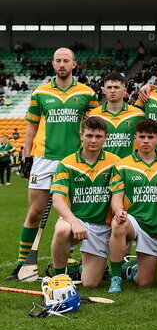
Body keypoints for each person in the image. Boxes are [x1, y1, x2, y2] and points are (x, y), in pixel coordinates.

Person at [9, 48, 100, 280]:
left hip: (75, 161)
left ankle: (74, 262)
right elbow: (31, 127)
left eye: (66, 61)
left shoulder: (87, 93)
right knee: (34, 213)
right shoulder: (40, 92)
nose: (62, 64)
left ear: (74, 65)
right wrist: (27, 156)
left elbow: (95, 126)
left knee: (75, 215)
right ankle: (22, 264)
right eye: (58, 61)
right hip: (44, 158)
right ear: (52, 64)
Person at [48, 117, 117, 288]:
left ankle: (77, 268)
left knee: (90, 284)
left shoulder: (115, 162)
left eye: (98, 136)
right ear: (81, 135)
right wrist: (74, 222)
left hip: (101, 226)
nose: (93, 140)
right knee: (62, 229)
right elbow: (57, 200)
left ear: (106, 137)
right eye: (89, 135)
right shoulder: (67, 163)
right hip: (76, 220)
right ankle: (60, 278)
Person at [106, 119, 157, 292]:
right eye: (142, 137)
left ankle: (132, 269)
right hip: (132, 219)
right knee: (118, 224)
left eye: (150, 137)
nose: (146, 141)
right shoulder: (123, 165)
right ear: (135, 138)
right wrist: (119, 212)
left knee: (146, 282)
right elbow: (116, 197)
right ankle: (115, 278)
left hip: (154, 226)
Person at [87, 72, 146, 159]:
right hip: (103, 165)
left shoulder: (138, 114)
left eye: (116, 87)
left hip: (128, 165)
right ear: (104, 90)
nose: (112, 91)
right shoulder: (94, 115)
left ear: (125, 90)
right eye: (109, 87)